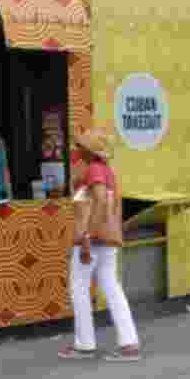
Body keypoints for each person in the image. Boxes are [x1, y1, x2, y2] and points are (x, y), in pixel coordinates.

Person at [58, 127, 140, 362]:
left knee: (79, 288)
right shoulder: (106, 170)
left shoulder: (94, 170)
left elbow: (101, 201)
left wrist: (86, 237)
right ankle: (129, 342)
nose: (77, 149)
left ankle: (85, 344)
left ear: (88, 151)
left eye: (81, 147)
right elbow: (104, 202)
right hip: (107, 240)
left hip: (91, 240)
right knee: (112, 287)